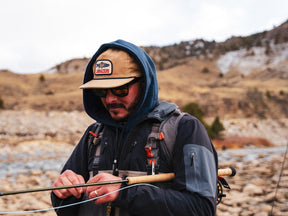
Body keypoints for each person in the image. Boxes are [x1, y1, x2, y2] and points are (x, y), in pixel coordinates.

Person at [51, 39, 218, 216]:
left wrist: (124, 192)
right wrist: (62, 194)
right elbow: (65, 210)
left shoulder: (185, 128)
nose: (110, 99)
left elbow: (202, 208)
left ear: (144, 84)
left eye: (120, 89)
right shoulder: (94, 135)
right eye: (101, 91)